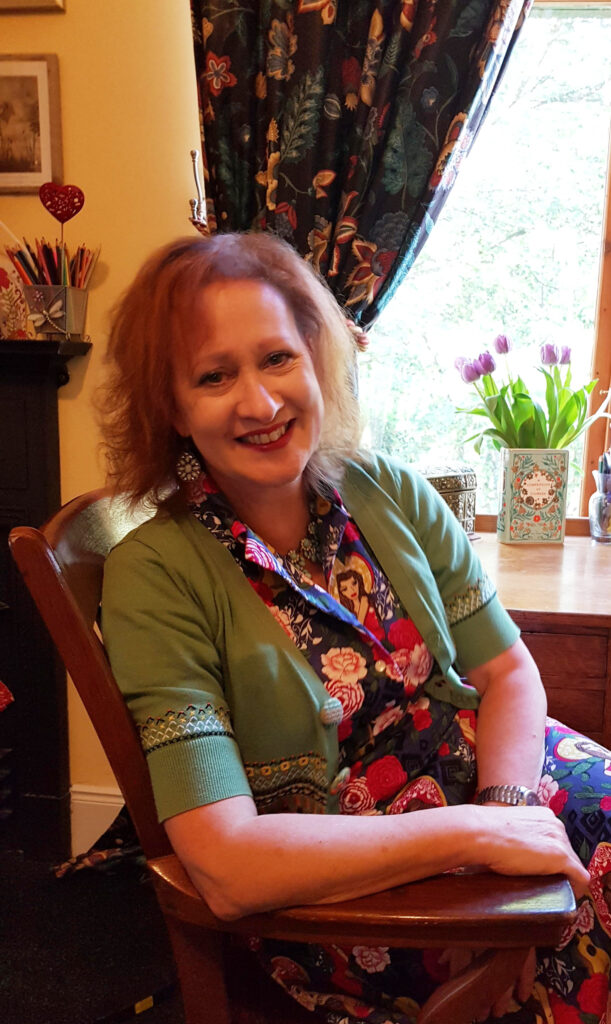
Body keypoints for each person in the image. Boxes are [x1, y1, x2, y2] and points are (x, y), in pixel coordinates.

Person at [100, 232, 610, 1024]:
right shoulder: (153, 576)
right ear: (171, 407)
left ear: (315, 356)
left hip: (501, 793)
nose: (260, 403)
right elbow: (227, 866)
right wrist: (480, 850)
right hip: (349, 893)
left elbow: (508, 672)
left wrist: (506, 824)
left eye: (276, 358)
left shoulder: (391, 491)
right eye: (213, 376)